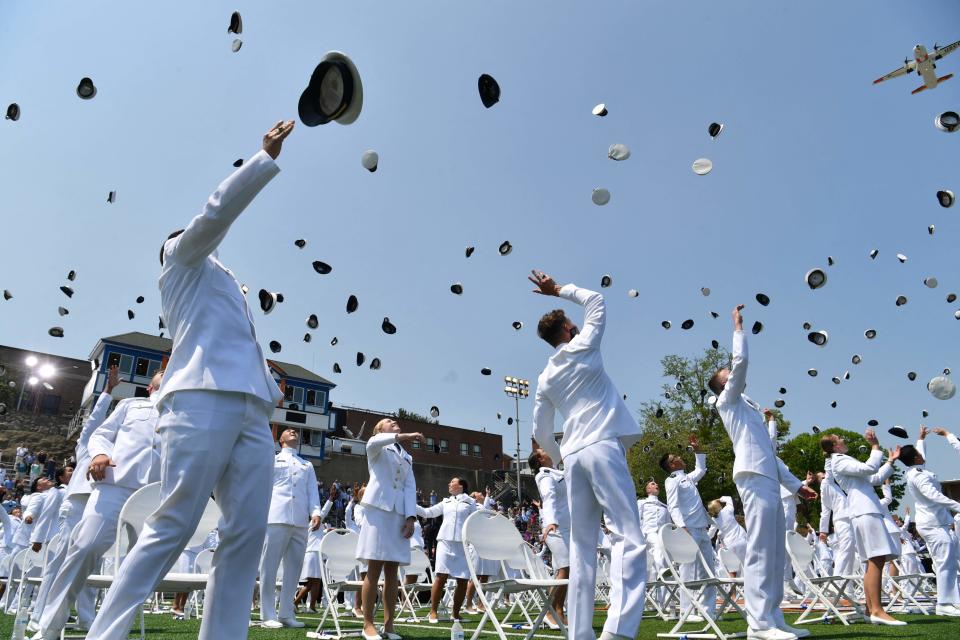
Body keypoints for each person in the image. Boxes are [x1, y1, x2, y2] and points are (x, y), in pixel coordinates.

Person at [80, 121, 294, 640]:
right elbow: (212, 217)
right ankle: (104, 635)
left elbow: (241, 344)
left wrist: (269, 390)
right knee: (174, 523)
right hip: (199, 399)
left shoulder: (227, 285)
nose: (196, 239)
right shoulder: (179, 262)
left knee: (245, 532)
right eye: (185, 236)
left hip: (251, 408)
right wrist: (261, 158)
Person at [529, 270, 646, 640]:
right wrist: (557, 291)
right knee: (628, 537)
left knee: (580, 551)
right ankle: (619, 632)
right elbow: (597, 299)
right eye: (571, 323)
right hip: (601, 446)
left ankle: (580, 634)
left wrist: (559, 456)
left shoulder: (545, 376)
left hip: (574, 457)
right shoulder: (584, 346)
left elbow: (539, 431)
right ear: (567, 330)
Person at [709, 305, 816, 640]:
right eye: (728, 375)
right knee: (760, 549)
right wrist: (738, 328)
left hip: (768, 475)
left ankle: (772, 616)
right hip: (752, 477)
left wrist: (797, 486)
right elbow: (740, 364)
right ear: (723, 385)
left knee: (773, 549)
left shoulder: (749, 407)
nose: (735, 375)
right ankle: (758, 623)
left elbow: (770, 453)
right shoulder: (726, 402)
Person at [33, 369, 164, 640]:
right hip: (115, 484)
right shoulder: (130, 405)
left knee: (140, 566)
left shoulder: (187, 412)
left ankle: (112, 632)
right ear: (150, 388)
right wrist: (101, 454)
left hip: (156, 494)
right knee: (84, 548)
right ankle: (50, 627)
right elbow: (100, 434)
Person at [29, 366, 120, 632]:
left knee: (94, 561)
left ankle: (85, 617)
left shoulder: (120, 449)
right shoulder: (88, 444)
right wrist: (108, 391)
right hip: (79, 501)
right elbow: (93, 421)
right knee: (61, 560)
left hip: (103, 504)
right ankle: (40, 615)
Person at [822, 428, 902, 625]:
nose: (844, 439)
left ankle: (870, 609)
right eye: (840, 438)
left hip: (866, 510)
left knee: (874, 561)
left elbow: (873, 479)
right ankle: (876, 610)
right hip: (864, 510)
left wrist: (890, 462)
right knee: (876, 558)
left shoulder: (843, 460)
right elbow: (869, 469)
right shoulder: (839, 459)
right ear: (835, 446)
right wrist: (875, 446)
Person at [357, 419, 422, 640]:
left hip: (398, 515)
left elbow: (409, 486)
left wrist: (411, 517)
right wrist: (407, 436)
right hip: (378, 511)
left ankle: (389, 626)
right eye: (388, 422)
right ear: (379, 430)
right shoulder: (375, 445)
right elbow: (376, 441)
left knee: (393, 571)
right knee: (374, 568)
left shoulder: (407, 456)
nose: (394, 423)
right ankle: (367, 624)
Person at [258, 428, 327, 629]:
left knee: (294, 568)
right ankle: (267, 614)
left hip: (299, 520)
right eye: (288, 431)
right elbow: (264, 487)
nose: (293, 431)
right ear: (280, 440)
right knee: (269, 566)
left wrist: (316, 513)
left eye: (296, 431)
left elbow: (312, 492)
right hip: (276, 516)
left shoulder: (306, 465)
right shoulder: (272, 459)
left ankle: (286, 613)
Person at [899, 428, 960, 616]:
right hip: (933, 525)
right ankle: (944, 603)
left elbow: (919, 455)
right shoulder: (919, 476)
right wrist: (958, 506)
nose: (921, 455)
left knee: (949, 562)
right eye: (918, 454)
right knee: (944, 563)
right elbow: (934, 496)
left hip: (936, 523)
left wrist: (921, 439)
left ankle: (953, 601)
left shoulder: (915, 470)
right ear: (915, 459)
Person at [662, 434, 715, 621]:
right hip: (689, 529)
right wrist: (682, 527)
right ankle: (687, 611)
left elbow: (701, 469)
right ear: (672, 465)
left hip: (702, 528)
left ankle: (708, 610)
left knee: (708, 570)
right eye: (675, 457)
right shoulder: (672, 480)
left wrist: (697, 448)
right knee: (688, 571)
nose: (680, 457)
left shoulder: (687, 478)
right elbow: (673, 506)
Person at [417, 477, 477, 622]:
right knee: (440, 576)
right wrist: (409, 504)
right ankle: (433, 611)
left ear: (461, 485)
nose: (449, 484)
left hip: (462, 544)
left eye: (452, 482)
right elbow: (427, 513)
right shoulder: (446, 502)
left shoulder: (470, 502)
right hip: (445, 542)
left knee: (462, 580)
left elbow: (474, 522)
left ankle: (455, 613)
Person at [530, 448, 569, 628]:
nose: (548, 449)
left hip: (567, 526)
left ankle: (558, 611)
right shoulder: (544, 475)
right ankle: (548, 612)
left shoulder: (557, 471)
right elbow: (549, 497)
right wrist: (551, 520)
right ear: (540, 459)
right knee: (565, 569)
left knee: (568, 571)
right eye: (543, 450)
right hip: (555, 528)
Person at [638, 479, 672, 616]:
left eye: (656, 484)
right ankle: (662, 570)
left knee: (653, 570)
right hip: (647, 534)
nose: (656, 484)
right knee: (660, 561)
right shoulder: (642, 503)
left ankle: (659, 603)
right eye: (652, 484)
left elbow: (668, 524)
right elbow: (636, 519)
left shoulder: (665, 506)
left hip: (661, 536)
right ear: (647, 490)